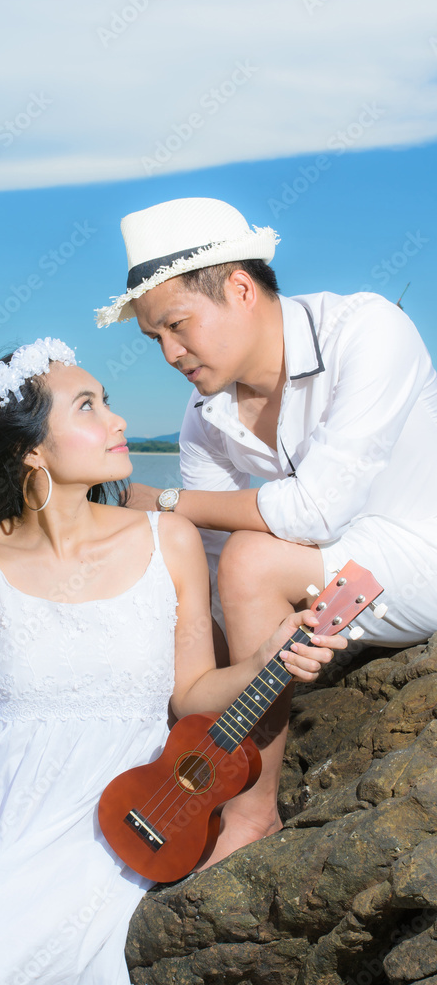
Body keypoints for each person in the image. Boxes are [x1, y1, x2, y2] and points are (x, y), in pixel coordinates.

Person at [0, 337, 344, 985]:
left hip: (132, 798)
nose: (117, 420)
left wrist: (266, 658)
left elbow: (194, 694)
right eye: (88, 407)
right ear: (30, 449)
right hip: (4, 804)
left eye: (108, 403)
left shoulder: (166, 539)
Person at [96, 196, 437, 864]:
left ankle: (253, 815)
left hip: (422, 552)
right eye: (154, 339)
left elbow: (315, 513)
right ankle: (194, 785)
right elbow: (211, 561)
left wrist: (163, 500)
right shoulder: (206, 414)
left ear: (241, 287)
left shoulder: (367, 329)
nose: (169, 352)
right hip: (335, 584)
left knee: (252, 560)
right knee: (215, 576)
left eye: (178, 325)